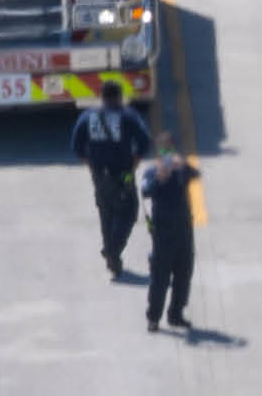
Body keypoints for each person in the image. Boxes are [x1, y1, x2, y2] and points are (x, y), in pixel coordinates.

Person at [68, 79, 153, 276]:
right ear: (119, 96)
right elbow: (144, 142)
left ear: (101, 96)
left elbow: (76, 145)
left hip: (99, 175)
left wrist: (91, 165)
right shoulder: (128, 116)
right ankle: (113, 250)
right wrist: (134, 165)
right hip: (123, 173)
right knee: (128, 211)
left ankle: (111, 257)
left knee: (106, 213)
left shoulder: (88, 116)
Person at [140, 149, 200, 332]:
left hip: (183, 232)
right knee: (159, 279)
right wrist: (160, 177)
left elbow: (196, 174)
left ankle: (176, 315)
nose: (167, 163)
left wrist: (183, 164)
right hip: (163, 235)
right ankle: (153, 318)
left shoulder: (181, 172)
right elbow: (145, 191)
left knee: (183, 277)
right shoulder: (151, 173)